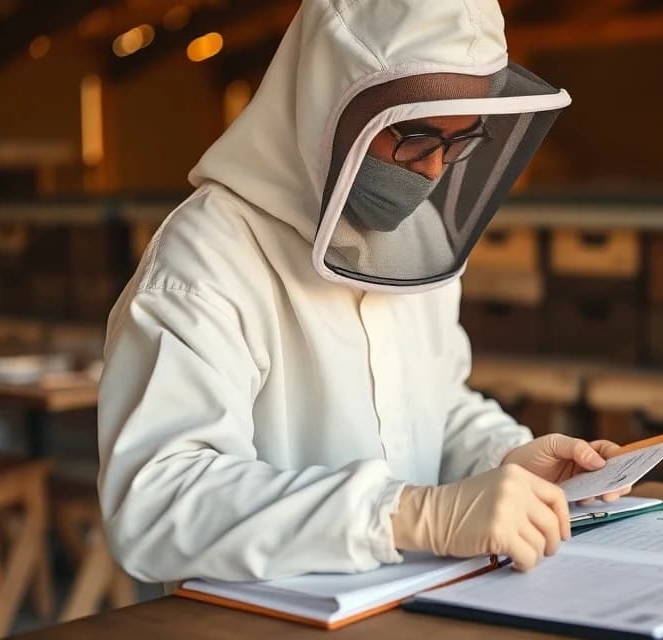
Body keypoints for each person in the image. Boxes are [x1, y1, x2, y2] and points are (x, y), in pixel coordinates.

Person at [97, 0, 629, 585]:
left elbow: (434, 405)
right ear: (330, 104)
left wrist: (505, 458)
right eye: (416, 135)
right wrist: (405, 516)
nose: (433, 169)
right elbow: (156, 501)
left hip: (408, 597)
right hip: (259, 615)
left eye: (459, 140)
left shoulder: (418, 236)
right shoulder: (208, 255)